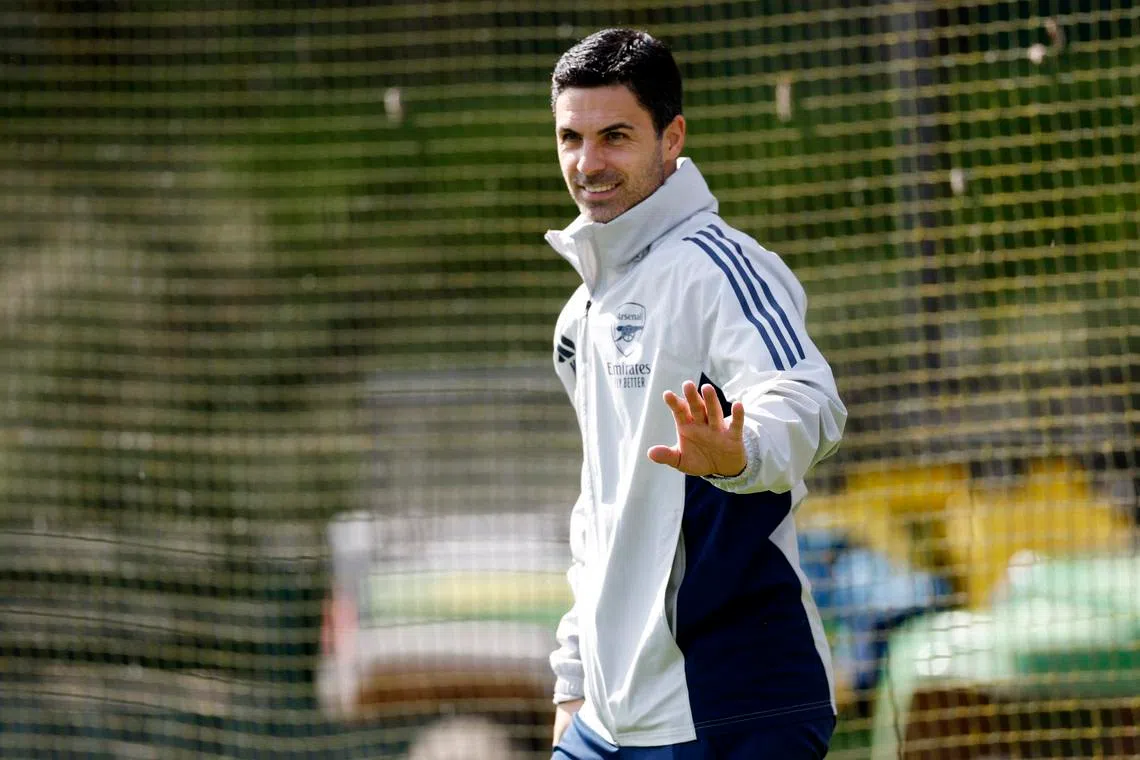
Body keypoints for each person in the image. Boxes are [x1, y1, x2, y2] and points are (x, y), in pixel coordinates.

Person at [544, 29, 848, 759]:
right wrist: (574, 682)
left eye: (615, 136)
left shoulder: (718, 267)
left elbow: (809, 399)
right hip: (606, 727)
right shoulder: (580, 316)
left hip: (736, 706)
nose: (589, 164)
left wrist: (737, 451)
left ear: (671, 137)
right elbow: (600, 515)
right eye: (571, 138)